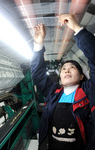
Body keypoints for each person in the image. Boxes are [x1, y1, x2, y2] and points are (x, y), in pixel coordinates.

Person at [31, 14, 95, 150]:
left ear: (82, 76)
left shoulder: (90, 91)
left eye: (72, 67)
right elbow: (38, 75)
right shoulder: (53, 93)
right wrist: (38, 44)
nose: (67, 70)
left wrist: (77, 28)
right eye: (64, 69)